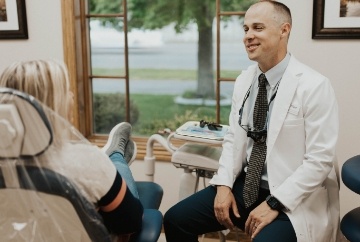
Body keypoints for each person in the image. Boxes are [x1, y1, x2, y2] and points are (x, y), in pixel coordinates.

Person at [164, 1, 340, 242]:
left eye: (257, 27)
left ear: (284, 30)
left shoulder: (315, 86)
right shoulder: (245, 81)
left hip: (292, 196)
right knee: (176, 220)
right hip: (247, 186)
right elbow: (233, 140)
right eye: (245, 29)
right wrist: (224, 184)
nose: (248, 36)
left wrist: (275, 202)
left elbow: (320, 161)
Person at [0, 59, 143, 242]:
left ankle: (115, 155)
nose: (72, 96)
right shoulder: (87, 161)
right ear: (53, 104)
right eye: (67, 91)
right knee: (115, 171)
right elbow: (130, 223)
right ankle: (115, 154)